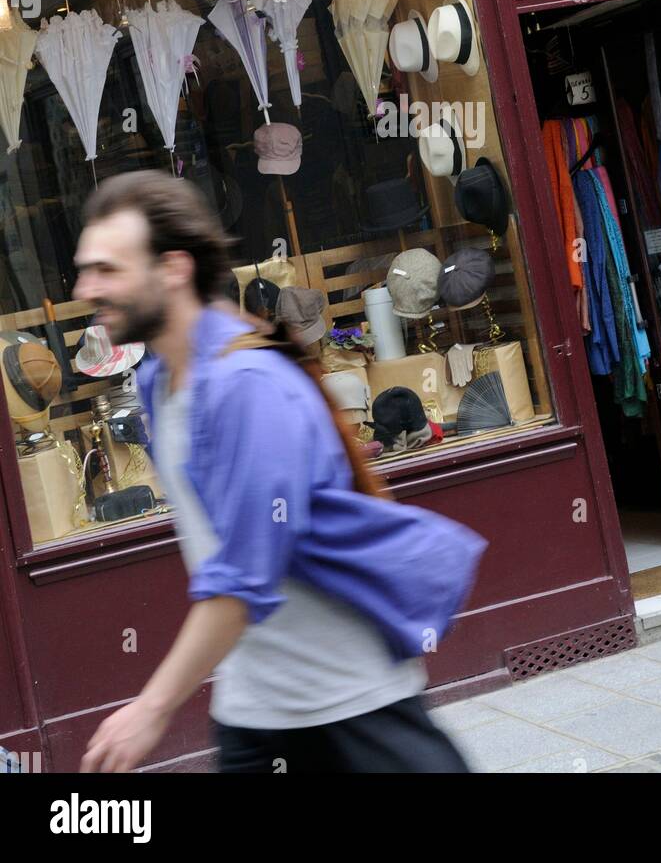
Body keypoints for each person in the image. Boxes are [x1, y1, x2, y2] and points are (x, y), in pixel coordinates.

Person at [74, 171, 484, 773]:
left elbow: (243, 572)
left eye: (108, 269)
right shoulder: (157, 381)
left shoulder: (247, 386)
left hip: (350, 705)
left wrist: (152, 708)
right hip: (253, 711)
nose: (87, 286)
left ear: (173, 270)